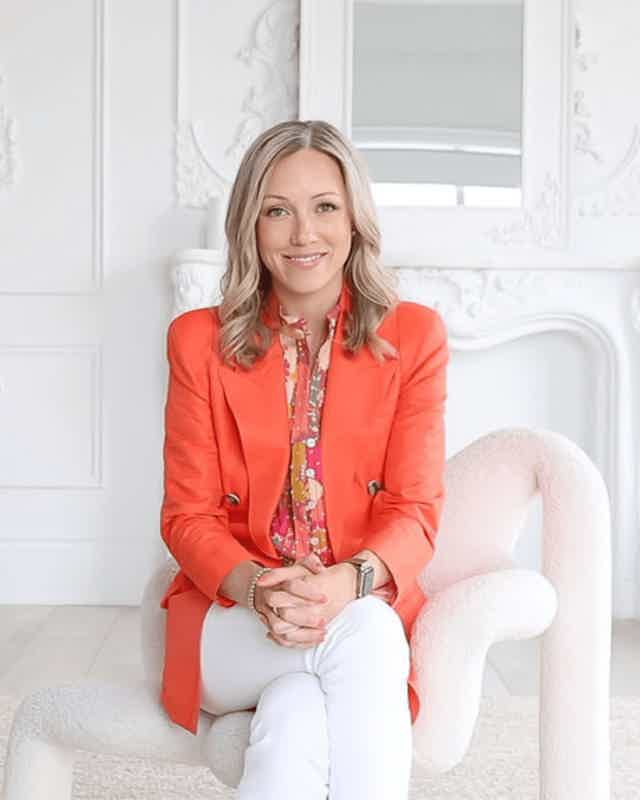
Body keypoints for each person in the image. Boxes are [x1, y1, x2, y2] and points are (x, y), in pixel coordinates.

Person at [159, 119, 449, 799]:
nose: (303, 234)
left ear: (354, 220)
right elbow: (186, 517)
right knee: (367, 637)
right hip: (231, 623)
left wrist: (343, 584)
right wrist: (261, 589)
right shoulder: (197, 342)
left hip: (352, 602)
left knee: (294, 720)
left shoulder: (414, 338)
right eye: (277, 211)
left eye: (324, 207)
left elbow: (416, 512)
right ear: (249, 226)